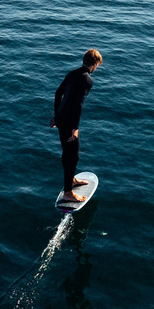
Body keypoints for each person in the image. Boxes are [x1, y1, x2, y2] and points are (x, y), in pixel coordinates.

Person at [52, 48, 102, 200]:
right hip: (69, 123)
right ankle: (68, 193)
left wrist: (57, 115)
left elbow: (58, 93)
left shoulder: (72, 73)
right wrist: (75, 128)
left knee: (66, 153)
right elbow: (78, 106)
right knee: (73, 156)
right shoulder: (87, 80)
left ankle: (71, 180)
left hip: (61, 119)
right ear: (94, 64)